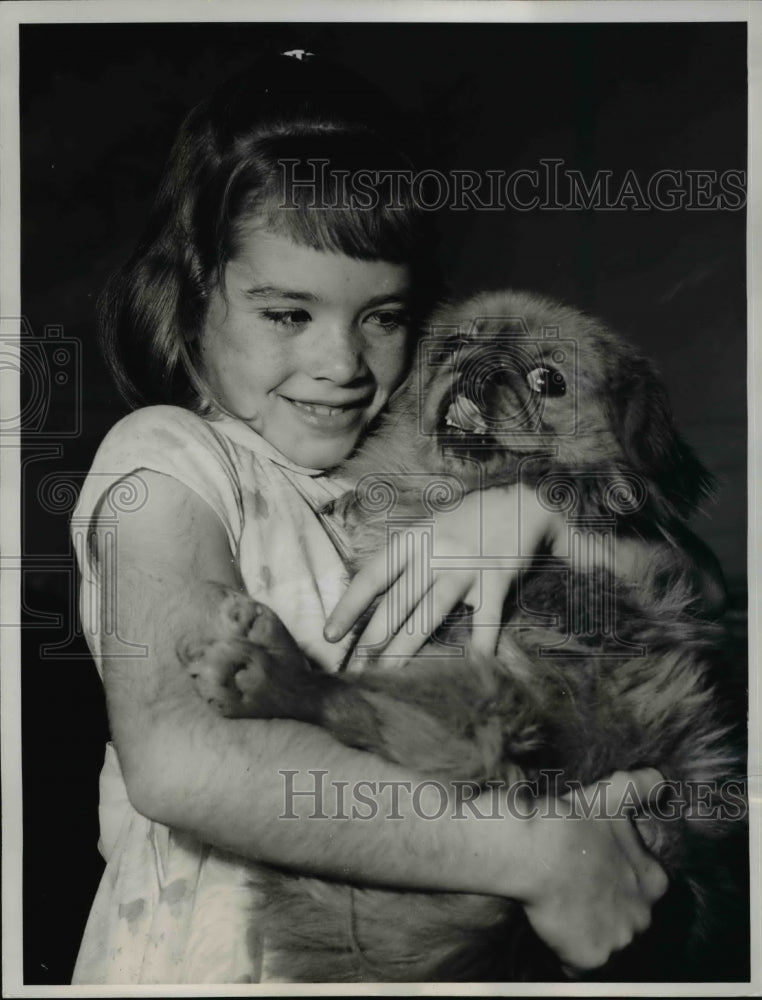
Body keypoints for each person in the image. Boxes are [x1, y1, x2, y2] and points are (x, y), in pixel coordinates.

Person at [71, 51, 667, 984]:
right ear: (189, 296)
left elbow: (694, 589)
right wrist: (541, 857)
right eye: (285, 314)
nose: (341, 363)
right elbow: (186, 762)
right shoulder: (167, 461)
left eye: (382, 318)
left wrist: (538, 517)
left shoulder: (417, 468)